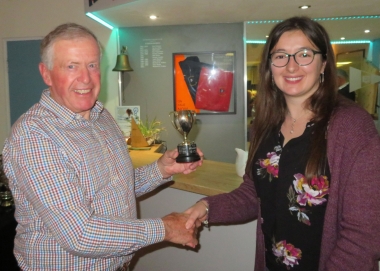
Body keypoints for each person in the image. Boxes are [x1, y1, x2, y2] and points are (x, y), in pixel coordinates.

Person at [2, 23, 203, 270]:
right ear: (46, 73)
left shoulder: (102, 117)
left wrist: (162, 170)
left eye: (92, 65)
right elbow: (80, 234)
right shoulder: (35, 135)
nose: (85, 78)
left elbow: (114, 190)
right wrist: (166, 228)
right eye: (71, 66)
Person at [185, 16, 380, 271]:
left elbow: (363, 235)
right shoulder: (265, 124)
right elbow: (254, 194)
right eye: (281, 56)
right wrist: (207, 207)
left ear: (323, 64)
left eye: (304, 54)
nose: (291, 66)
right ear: (270, 66)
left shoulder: (352, 127)